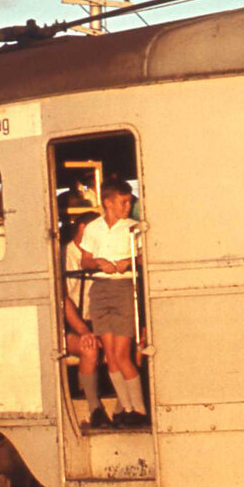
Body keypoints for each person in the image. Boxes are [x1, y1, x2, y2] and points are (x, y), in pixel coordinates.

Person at [79, 180, 148, 427]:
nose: (128, 206)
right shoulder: (93, 228)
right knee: (110, 355)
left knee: (123, 354)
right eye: (123, 202)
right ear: (108, 203)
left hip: (123, 288)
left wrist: (127, 263)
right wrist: (98, 263)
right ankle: (126, 408)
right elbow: (84, 261)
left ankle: (139, 410)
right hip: (101, 289)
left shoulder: (134, 228)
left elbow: (143, 256)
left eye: (129, 201)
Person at [63, 214, 109, 428]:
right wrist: (84, 331)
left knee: (126, 348)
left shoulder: (100, 254)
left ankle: (125, 411)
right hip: (67, 324)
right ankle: (95, 409)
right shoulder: (61, 255)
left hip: (96, 320)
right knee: (89, 348)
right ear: (83, 229)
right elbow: (63, 302)